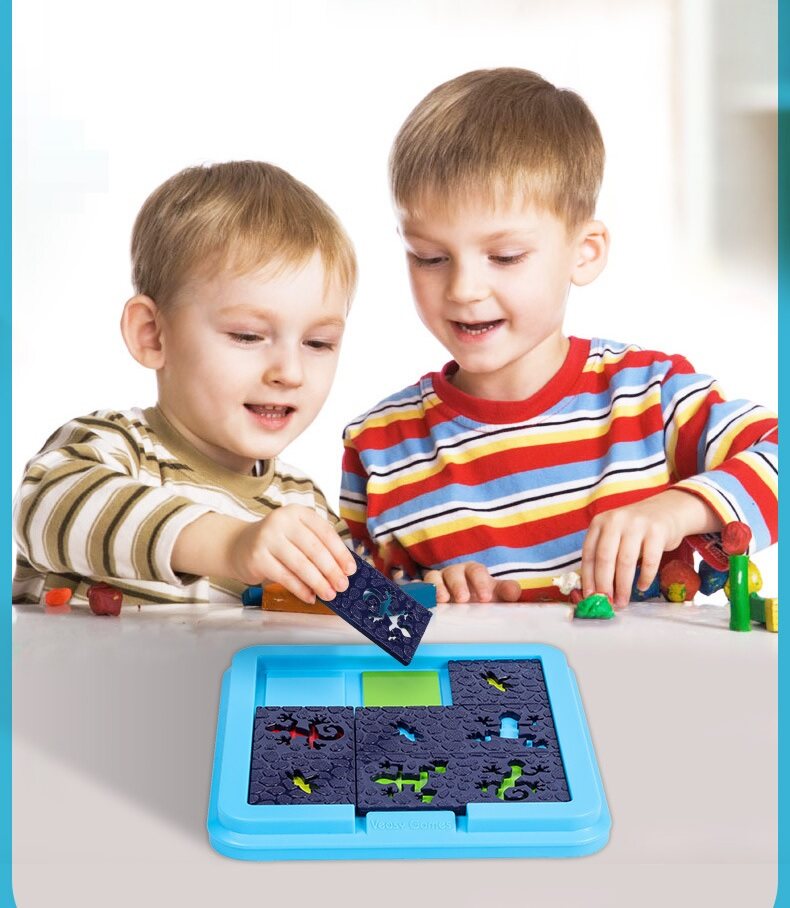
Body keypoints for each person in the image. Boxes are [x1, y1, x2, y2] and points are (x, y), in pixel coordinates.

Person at [340, 68, 777, 608]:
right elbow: (353, 618)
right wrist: (425, 598)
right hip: (479, 671)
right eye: (430, 258)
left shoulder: (651, 397)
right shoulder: (379, 448)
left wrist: (677, 510)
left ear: (584, 252)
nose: (463, 289)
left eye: (505, 257)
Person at [14, 161, 357, 607]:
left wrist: (434, 585)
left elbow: (360, 616)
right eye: (247, 336)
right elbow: (44, 508)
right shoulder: (113, 447)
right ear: (152, 335)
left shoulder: (305, 508)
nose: (290, 372)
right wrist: (231, 545)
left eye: (317, 343)